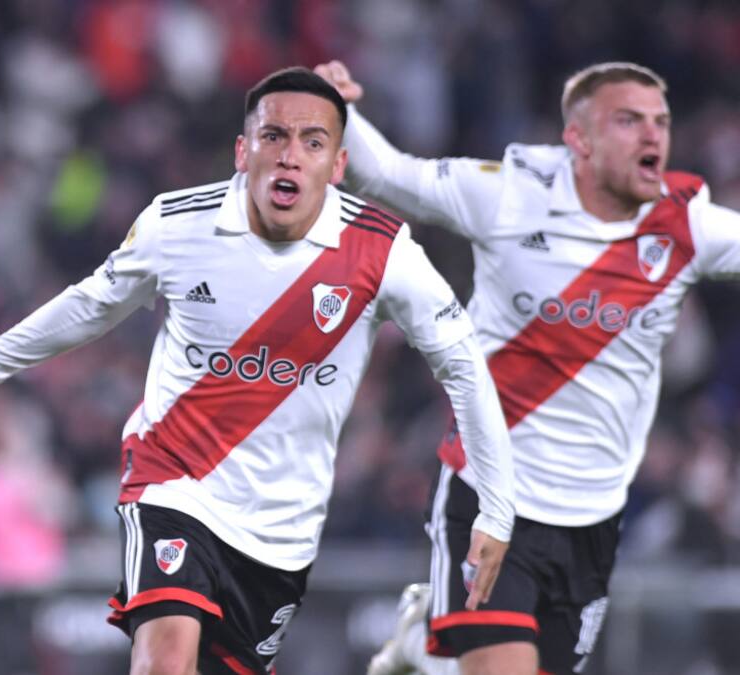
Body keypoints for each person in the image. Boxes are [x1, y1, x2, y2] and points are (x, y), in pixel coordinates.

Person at [0, 66, 516, 675]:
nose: (291, 157)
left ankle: (405, 657)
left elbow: (464, 368)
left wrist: (496, 509)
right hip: (173, 484)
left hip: (282, 529)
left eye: (313, 142)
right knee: (165, 661)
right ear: (243, 152)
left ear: (339, 164)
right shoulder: (178, 225)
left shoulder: (384, 252)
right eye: (274, 136)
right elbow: (90, 306)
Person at [314, 59, 740, 675]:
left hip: (593, 517)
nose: (653, 136)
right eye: (628, 121)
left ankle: (421, 651)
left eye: (661, 122)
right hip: (492, 500)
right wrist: (334, 107)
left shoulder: (687, 227)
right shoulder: (512, 194)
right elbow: (387, 175)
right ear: (580, 139)